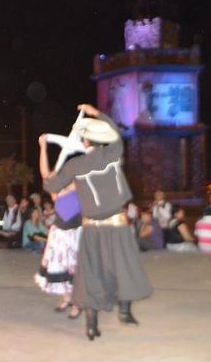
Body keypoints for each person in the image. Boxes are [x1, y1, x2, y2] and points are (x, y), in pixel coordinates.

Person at [40, 103, 152, 341]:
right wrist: (95, 113)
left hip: (91, 229)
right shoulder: (113, 153)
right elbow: (116, 133)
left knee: (91, 274)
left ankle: (91, 326)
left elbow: (50, 186)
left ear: (85, 142)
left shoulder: (75, 165)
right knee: (124, 268)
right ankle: (125, 313)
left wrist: (51, 173)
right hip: (117, 225)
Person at [35, 183, 82, 319]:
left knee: (75, 268)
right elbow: (47, 176)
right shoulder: (57, 189)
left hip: (76, 231)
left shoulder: (78, 185)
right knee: (61, 268)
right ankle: (67, 298)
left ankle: (77, 304)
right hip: (60, 233)